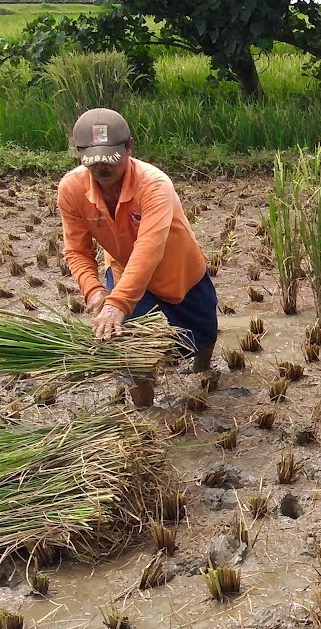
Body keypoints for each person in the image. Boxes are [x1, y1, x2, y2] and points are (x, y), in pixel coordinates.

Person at [58, 107, 218, 407]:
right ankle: (145, 411)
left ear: (129, 146)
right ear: (78, 153)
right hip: (124, 273)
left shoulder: (154, 184)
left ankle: (203, 370)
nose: (102, 170)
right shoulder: (71, 189)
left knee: (205, 329)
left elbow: (149, 248)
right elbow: (77, 250)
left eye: (110, 160)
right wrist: (94, 291)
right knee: (130, 351)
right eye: (93, 163)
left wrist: (117, 304)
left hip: (178, 268)